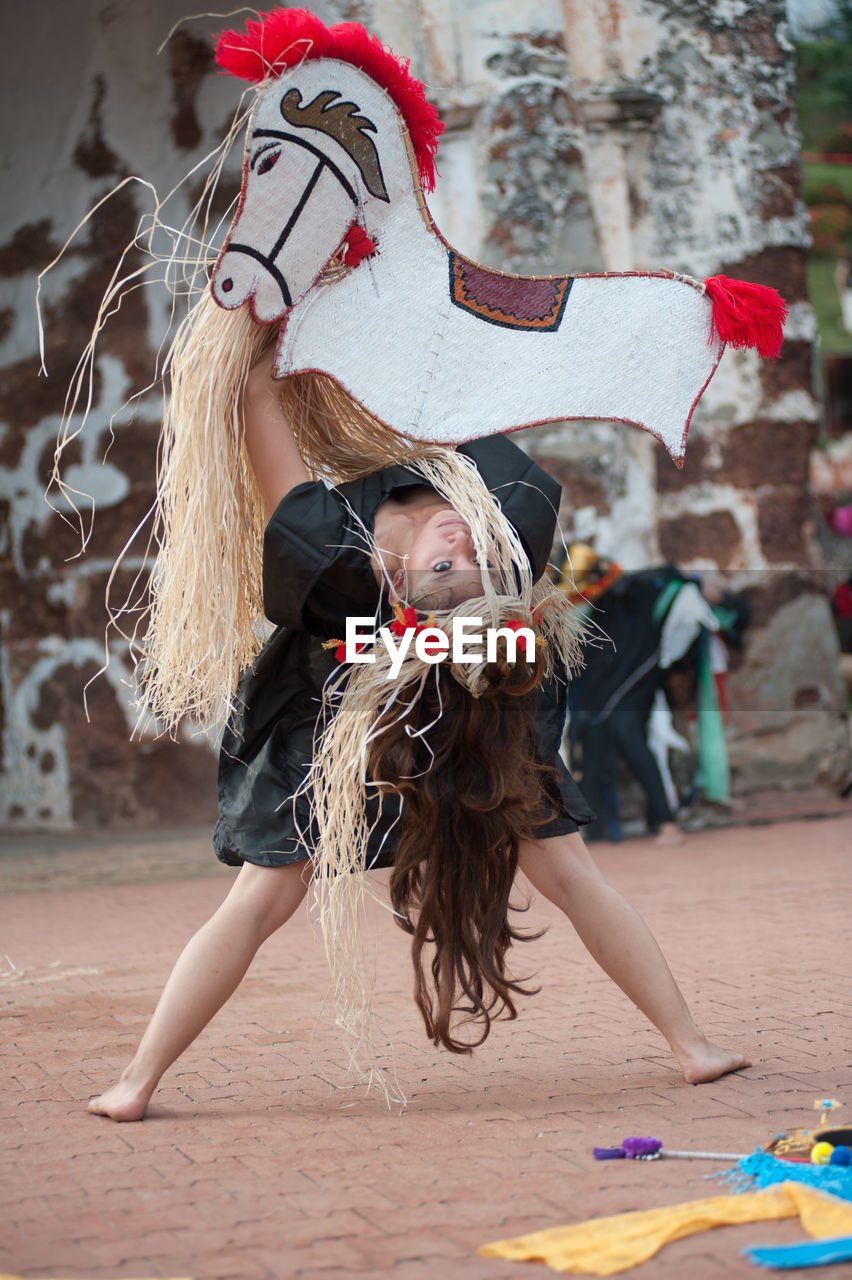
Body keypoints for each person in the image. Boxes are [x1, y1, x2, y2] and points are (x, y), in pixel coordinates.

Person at [87, 349, 749, 1122]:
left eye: (453, 564)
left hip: (409, 703)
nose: (465, 541)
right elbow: (460, 380)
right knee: (267, 898)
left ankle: (691, 1047)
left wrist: (266, 332)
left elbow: (259, 401)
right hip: (388, 696)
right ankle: (139, 1081)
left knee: (559, 875)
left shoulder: (336, 561)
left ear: (395, 588)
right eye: (471, 555)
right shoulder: (508, 516)